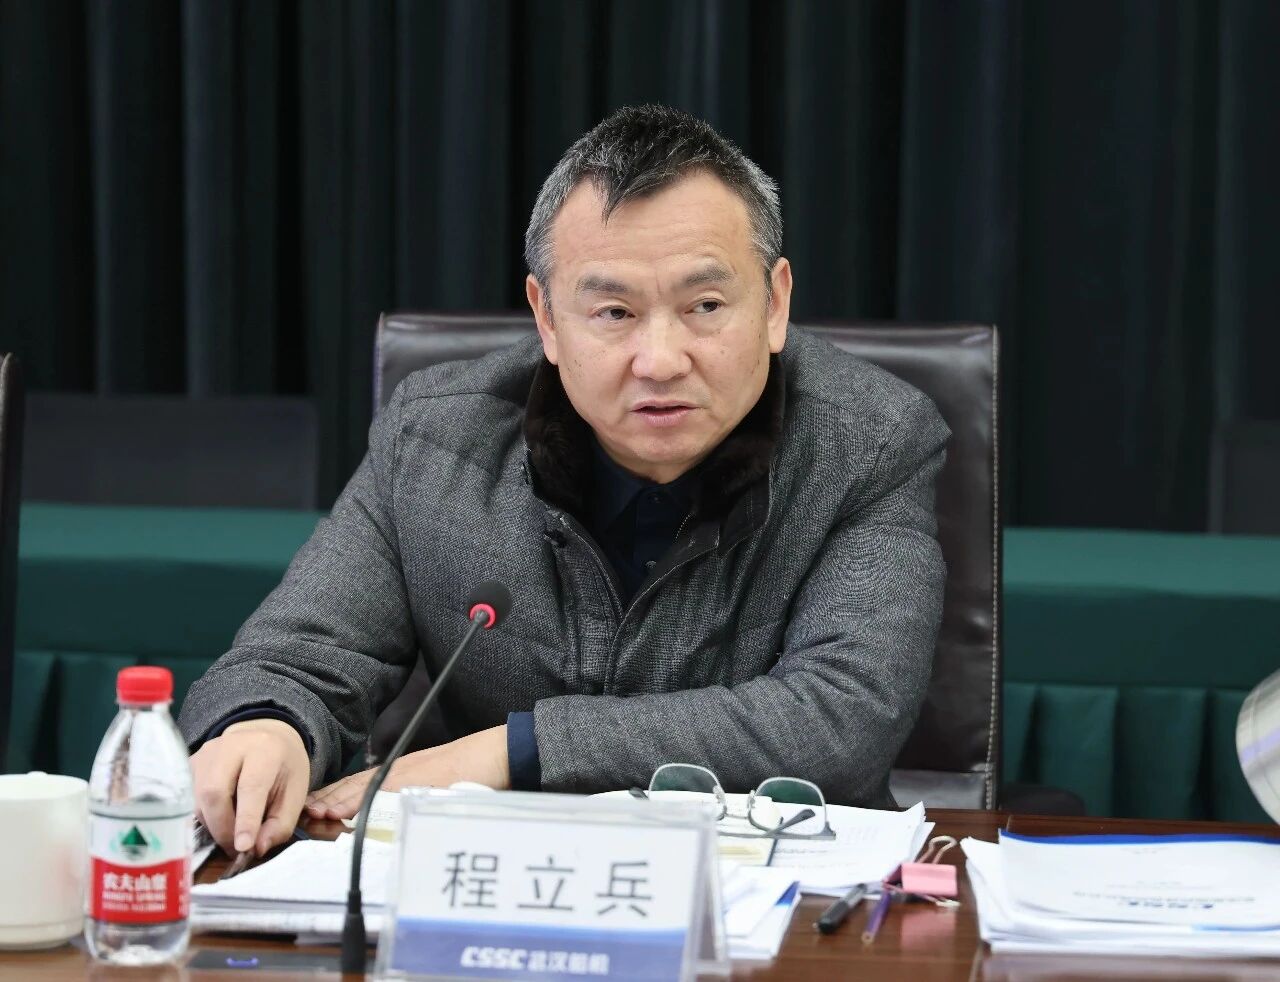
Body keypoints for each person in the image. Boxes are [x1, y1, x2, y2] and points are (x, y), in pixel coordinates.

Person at [178, 104, 950, 858]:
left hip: (775, 892)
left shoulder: (871, 443)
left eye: (706, 305)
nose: (660, 360)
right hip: (490, 884)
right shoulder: (436, 441)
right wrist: (265, 724)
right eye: (614, 313)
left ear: (775, 303)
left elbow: (840, 719)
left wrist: (519, 750)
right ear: (546, 318)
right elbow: (300, 653)